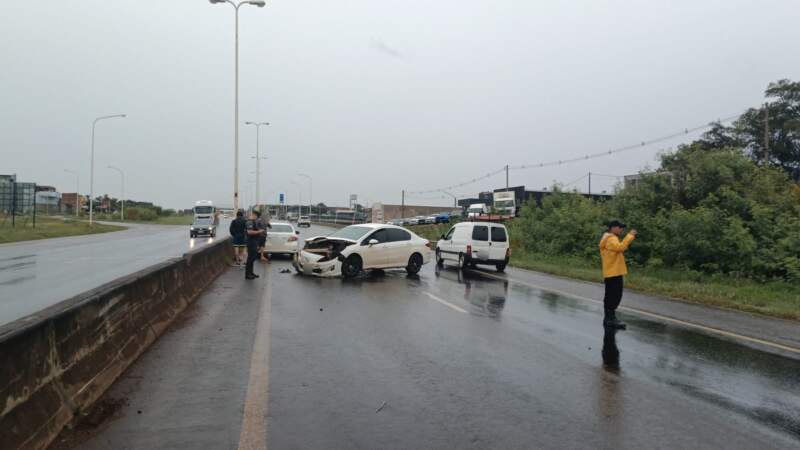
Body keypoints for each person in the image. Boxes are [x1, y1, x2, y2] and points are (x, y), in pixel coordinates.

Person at [598, 220, 637, 330]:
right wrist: (630, 236)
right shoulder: (611, 238)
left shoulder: (609, 238)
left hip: (613, 272)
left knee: (612, 295)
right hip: (613, 272)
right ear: (613, 228)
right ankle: (609, 319)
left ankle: (610, 318)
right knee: (614, 296)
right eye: (620, 228)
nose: (622, 230)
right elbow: (621, 247)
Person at [245, 210, 265, 280]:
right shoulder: (249, 222)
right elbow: (249, 232)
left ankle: (251, 273)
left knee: (253, 258)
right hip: (251, 242)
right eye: (256, 216)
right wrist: (259, 231)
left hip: (254, 242)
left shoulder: (254, 222)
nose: (257, 218)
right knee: (250, 259)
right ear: (254, 215)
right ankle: (248, 274)